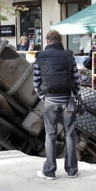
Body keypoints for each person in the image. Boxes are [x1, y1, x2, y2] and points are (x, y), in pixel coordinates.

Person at [33, 30, 80, 180]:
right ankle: (72, 170)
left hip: (50, 101)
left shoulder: (40, 57)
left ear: (47, 41)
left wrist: (43, 97)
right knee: (70, 135)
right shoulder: (68, 55)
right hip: (67, 100)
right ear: (60, 41)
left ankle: (50, 171)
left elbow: (36, 81)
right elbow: (76, 78)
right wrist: (74, 94)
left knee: (50, 135)